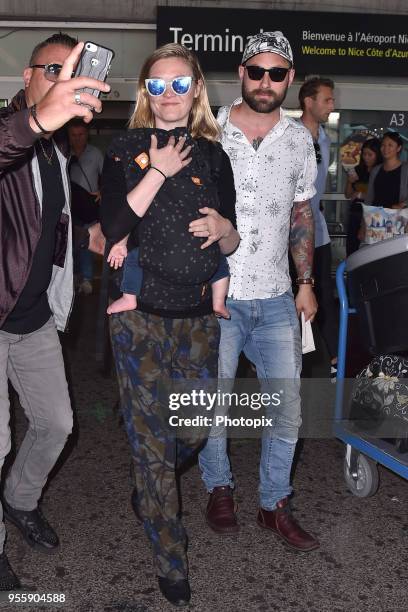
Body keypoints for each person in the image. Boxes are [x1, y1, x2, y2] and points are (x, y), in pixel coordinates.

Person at [100, 43, 239, 606]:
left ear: (197, 89)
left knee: (195, 432)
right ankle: (170, 557)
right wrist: (156, 170)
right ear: (145, 94)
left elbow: (232, 240)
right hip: (141, 323)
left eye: (180, 84)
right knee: (153, 451)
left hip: (200, 320)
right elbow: (112, 224)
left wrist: (224, 228)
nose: (169, 96)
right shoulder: (128, 147)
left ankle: (149, 488)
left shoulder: (214, 155)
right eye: (157, 86)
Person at [198, 31, 320, 552]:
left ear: (289, 80)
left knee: (286, 407)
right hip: (214, 293)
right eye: (256, 71)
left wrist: (306, 283)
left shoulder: (298, 141)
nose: (265, 82)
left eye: (276, 73)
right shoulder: (209, 131)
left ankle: (274, 503)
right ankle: (218, 487)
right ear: (240, 74)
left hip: (275, 297)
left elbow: (301, 215)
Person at [0, 33, 110, 590]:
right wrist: (38, 122)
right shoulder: (16, 131)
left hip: (34, 316)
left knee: (57, 426)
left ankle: (18, 501)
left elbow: (49, 219)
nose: (63, 82)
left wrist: (92, 233)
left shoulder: (54, 150)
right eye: (53, 69)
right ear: (27, 76)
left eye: (74, 74)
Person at [299, 76, 339, 381]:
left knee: (324, 295)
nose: (332, 105)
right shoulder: (290, 136)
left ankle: (329, 359)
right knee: (297, 296)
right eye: (327, 99)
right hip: (295, 235)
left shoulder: (325, 139)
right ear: (308, 102)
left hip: (320, 232)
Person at [105, 237, 231, 318]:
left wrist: (121, 243)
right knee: (219, 259)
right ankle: (218, 302)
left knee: (133, 257)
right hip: (199, 247)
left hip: (170, 242)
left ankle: (129, 298)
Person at [68, 120, 104, 295]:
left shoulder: (95, 154)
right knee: (69, 245)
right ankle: (73, 278)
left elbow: (108, 177)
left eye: (81, 135)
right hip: (69, 206)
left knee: (87, 243)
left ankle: (87, 279)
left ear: (87, 134)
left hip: (88, 206)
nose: (77, 139)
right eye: (74, 135)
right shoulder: (64, 153)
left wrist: (102, 192)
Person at [344, 138, 382, 254]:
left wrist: (361, 194)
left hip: (372, 216)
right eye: (364, 154)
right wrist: (350, 182)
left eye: (370, 154)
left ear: (378, 155)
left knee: (368, 251)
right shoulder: (358, 170)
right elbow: (348, 195)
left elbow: (380, 196)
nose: (366, 157)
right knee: (352, 248)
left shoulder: (381, 171)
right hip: (355, 213)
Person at [366, 131, 408, 209]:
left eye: (390, 145)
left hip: (397, 218)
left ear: (398, 148)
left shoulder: (406, 170)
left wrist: (402, 204)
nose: (385, 148)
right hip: (376, 217)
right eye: (383, 145)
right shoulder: (375, 170)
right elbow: (369, 196)